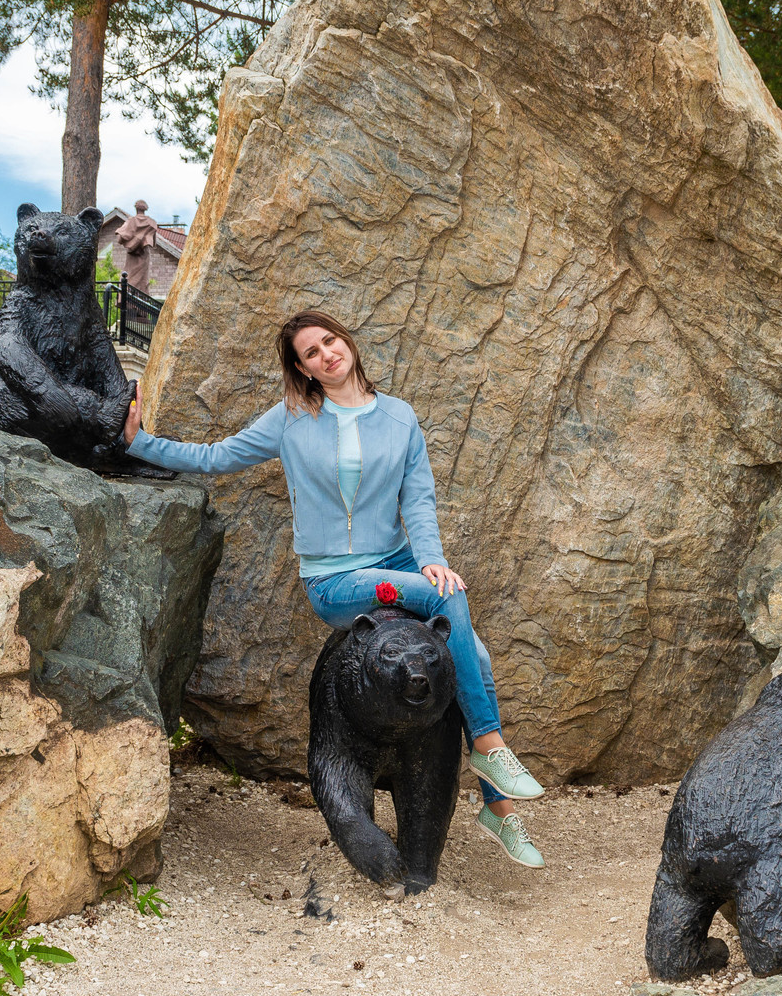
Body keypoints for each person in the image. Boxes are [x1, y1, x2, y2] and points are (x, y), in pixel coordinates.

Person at [123, 309, 548, 868]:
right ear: (303, 371)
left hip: (395, 564)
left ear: (346, 342)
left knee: (477, 655)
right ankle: (490, 747)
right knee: (450, 601)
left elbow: (417, 501)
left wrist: (432, 561)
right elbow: (216, 457)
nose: (326, 354)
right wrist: (138, 443)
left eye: (330, 341)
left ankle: (500, 811)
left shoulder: (399, 417)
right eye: (311, 353)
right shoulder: (291, 420)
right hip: (337, 580)